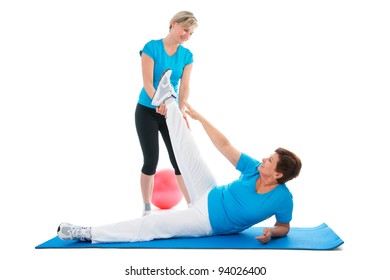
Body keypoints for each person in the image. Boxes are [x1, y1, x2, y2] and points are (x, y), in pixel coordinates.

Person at [58, 70, 302, 244]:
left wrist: (273, 233)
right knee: (188, 148)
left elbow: (284, 226)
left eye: (270, 160)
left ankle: (87, 233)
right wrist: (199, 118)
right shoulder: (254, 169)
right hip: (209, 191)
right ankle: (167, 98)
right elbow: (225, 145)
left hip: (205, 221)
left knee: (152, 225)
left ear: (278, 174)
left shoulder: (282, 198)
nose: (264, 159)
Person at [135, 11, 198, 216]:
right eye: (185, 30)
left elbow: (185, 87)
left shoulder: (187, 56)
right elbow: (147, 83)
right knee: (150, 160)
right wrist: (159, 102)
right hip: (147, 111)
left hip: (170, 113)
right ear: (173, 24)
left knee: (179, 160)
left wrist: (180, 111)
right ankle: (146, 210)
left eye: (191, 33)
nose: (187, 35)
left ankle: (192, 208)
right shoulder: (151, 48)